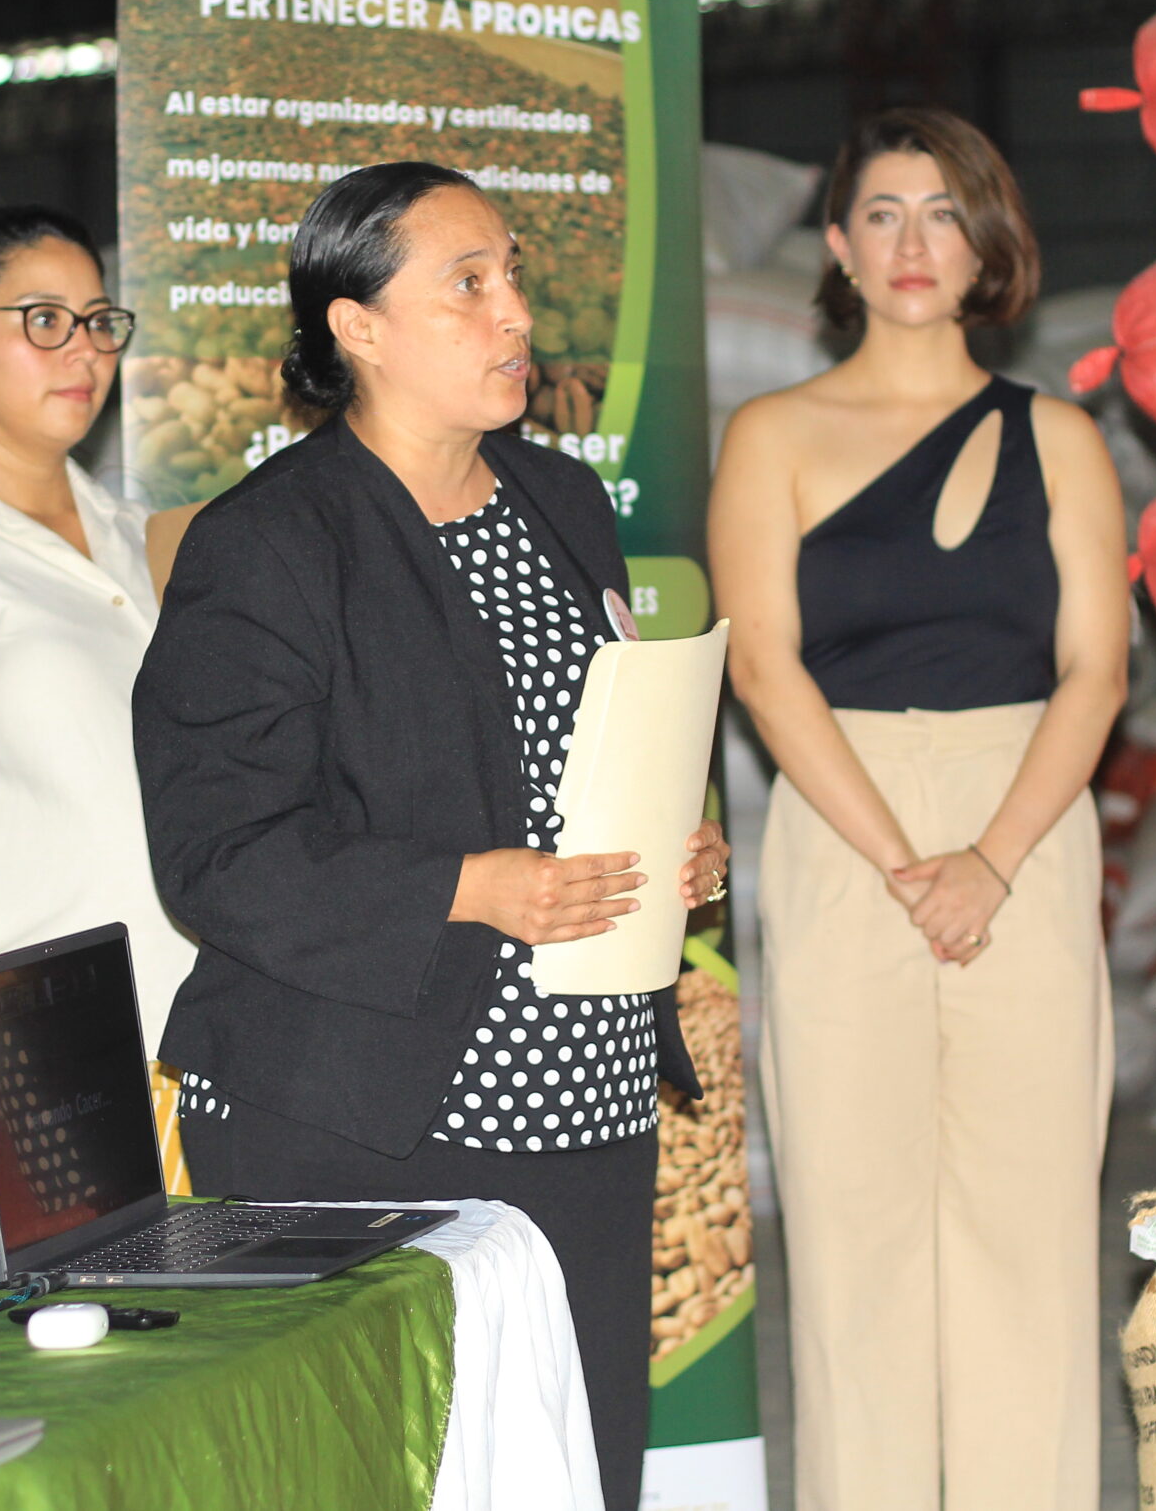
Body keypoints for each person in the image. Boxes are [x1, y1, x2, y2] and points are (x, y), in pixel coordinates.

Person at [134, 161, 729, 1511]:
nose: (513, 309)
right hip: (363, 1111)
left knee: (576, 1471)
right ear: (357, 326)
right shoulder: (272, 544)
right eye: (469, 283)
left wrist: (664, 847)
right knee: (386, 1474)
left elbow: (570, 751)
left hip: (583, 1093)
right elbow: (216, 855)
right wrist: (471, 886)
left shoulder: (562, 505)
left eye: (513, 274)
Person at [707, 107, 1126, 1510]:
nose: (912, 242)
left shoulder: (1058, 434)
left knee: (1027, 1233)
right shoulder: (770, 433)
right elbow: (762, 662)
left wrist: (991, 859)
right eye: (883, 212)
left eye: (944, 213)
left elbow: (1098, 668)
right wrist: (904, 861)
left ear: (986, 245)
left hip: (1028, 823)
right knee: (855, 1234)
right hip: (843, 829)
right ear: (837, 243)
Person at [0, 203, 196, 1053]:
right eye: (45, 321)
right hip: (43, 1052)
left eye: (99, 323)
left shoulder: (147, 538)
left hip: (198, 1038)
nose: (87, 351)